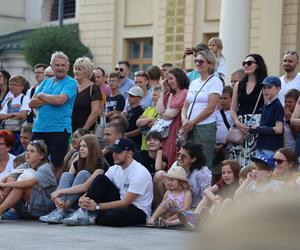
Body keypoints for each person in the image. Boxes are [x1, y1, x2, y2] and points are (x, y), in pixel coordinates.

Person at [62, 137, 153, 227]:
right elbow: (98, 185)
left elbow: (126, 202)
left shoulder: (140, 172)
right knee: (100, 178)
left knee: (114, 216)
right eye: (113, 151)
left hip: (137, 209)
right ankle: (84, 212)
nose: (114, 155)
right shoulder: (114, 169)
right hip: (118, 203)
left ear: (129, 153)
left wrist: (97, 206)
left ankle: (93, 217)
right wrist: (84, 197)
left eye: (118, 152)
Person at [29, 51, 77, 180]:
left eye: (63, 65)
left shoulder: (71, 83)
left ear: (68, 66)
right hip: (39, 127)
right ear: (51, 66)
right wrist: (51, 99)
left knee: (57, 163)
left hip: (59, 129)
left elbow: (60, 100)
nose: (60, 68)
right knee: (34, 161)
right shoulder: (45, 82)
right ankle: (36, 189)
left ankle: (53, 191)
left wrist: (42, 96)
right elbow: (31, 103)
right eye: (57, 65)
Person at [39, 134, 109, 224]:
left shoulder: (101, 164)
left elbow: (84, 187)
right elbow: (65, 180)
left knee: (83, 174)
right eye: (80, 146)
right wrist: (56, 197)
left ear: (92, 148)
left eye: (84, 146)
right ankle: (60, 210)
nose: (81, 149)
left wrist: (59, 192)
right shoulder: (78, 162)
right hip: (74, 200)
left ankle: (63, 209)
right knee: (66, 175)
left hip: (88, 201)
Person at [181, 50, 223, 169]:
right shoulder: (193, 82)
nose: (197, 63)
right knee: (187, 162)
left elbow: (210, 108)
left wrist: (192, 122)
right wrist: (185, 120)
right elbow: (185, 105)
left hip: (204, 127)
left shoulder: (215, 81)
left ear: (210, 64)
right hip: (189, 127)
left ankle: (204, 188)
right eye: (196, 61)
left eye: (201, 61)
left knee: (203, 162)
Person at [0, 140, 57, 220]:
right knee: (11, 178)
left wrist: (5, 185)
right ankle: (10, 210)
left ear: (41, 155)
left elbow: (30, 182)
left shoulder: (45, 168)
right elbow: (8, 176)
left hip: (46, 208)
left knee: (21, 186)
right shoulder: (27, 164)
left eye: (32, 151)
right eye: (27, 151)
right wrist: (1, 185)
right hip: (30, 205)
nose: (28, 153)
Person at [177, 159, 240, 231]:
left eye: (229, 172)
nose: (225, 175)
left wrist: (217, 200)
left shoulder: (239, 184)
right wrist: (215, 200)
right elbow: (207, 190)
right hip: (220, 209)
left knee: (225, 200)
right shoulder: (222, 183)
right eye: (223, 173)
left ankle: (214, 224)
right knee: (212, 197)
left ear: (235, 173)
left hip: (232, 214)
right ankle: (195, 218)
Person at [230, 54, 267, 167]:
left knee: (252, 164)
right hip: (239, 126)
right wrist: (237, 123)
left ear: (258, 65)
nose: (246, 65)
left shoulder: (264, 85)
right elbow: (233, 109)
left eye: (249, 63)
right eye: (244, 63)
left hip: (256, 127)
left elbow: (266, 108)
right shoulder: (239, 85)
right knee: (236, 163)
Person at [155, 142, 212, 209]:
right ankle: (160, 209)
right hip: (175, 202)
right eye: (179, 154)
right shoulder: (176, 164)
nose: (179, 158)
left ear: (193, 159)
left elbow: (206, 196)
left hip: (193, 207)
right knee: (159, 175)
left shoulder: (203, 173)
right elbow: (169, 185)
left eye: (183, 156)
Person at [156, 67, 188, 168]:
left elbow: (171, 114)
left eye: (171, 78)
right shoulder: (169, 94)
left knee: (174, 157)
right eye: (167, 79)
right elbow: (159, 110)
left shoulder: (184, 92)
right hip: (166, 132)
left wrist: (163, 114)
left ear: (179, 78)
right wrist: (162, 91)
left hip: (176, 131)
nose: (169, 81)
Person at [249, 76, 284, 156]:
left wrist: (259, 129)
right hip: (261, 145)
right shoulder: (265, 105)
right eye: (264, 87)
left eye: (269, 87)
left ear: (278, 89)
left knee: (267, 168)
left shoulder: (277, 106)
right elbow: (264, 125)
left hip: (271, 147)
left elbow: (279, 129)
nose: (265, 90)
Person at [0, 75, 30, 155]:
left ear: (22, 87)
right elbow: (0, 116)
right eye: (10, 84)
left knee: (18, 155)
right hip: (8, 133)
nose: (12, 87)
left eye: (15, 85)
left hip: (19, 133)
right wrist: (13, 114)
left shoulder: (24, 98)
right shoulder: (9, 101)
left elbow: (22, 115)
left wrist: (7, 116)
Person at [72, 57, 101, 132]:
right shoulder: (70, 86)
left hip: (86, 132)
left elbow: (95, 113)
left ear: (87, 72)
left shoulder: (94, 88)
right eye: (75, 69)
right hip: (68, 130)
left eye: (79, 69)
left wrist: (83, 130)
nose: (76, 72)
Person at [213, 86, 234, 184]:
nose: (222, 101)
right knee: (217, 171)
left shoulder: (234, 113)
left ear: (232, 98)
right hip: (217, 147)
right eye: (220, 98)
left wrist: (224, 145)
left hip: (229, 147)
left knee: (229, 169)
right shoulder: (216, 113)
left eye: (225, 98)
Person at [136, 86, 160, 150]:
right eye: (152, 95)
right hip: (144, 147)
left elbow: (157, 124)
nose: (152, 97)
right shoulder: (149, 109)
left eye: (155, 95)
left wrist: (145, 122)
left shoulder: (164, 111)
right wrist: (150, 119)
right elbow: (138, 122)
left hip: (157, 148)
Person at [123, 86, 144, 150]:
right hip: (127, 142)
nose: (129, 98)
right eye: (129, 95)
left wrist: (127, 135)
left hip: (135, 144)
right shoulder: (129, 111)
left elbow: (140, 130)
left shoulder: (141, 111)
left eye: (132, 96)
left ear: (139, 98)